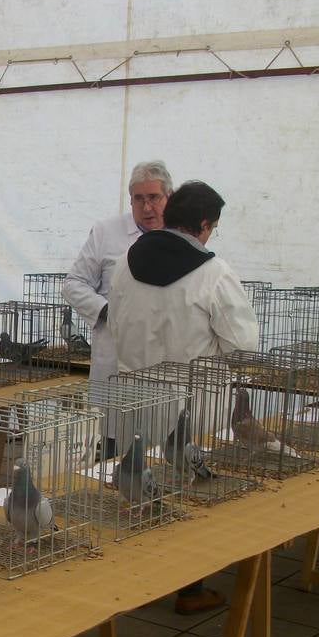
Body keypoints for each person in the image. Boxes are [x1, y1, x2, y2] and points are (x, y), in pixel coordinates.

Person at [108, 180, 259, 614]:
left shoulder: (124, 262)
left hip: (133, 392)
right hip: (192, 403)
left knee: (141, 486)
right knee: (190, 490)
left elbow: (113, 323)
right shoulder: (213, 273)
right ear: (206, 225)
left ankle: (134, 576)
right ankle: (190, 587)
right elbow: (242, 345)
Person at [63, 161, 174, 456]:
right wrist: (105, 311)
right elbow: (74, 284)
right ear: (131, 200)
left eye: (154, 198)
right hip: (116, 357)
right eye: (139, 199)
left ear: (169, 198)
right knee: (115, 445)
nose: (147, 207)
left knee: (161, 446)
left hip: (163, 362)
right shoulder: (106, 232)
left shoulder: (180, 239)